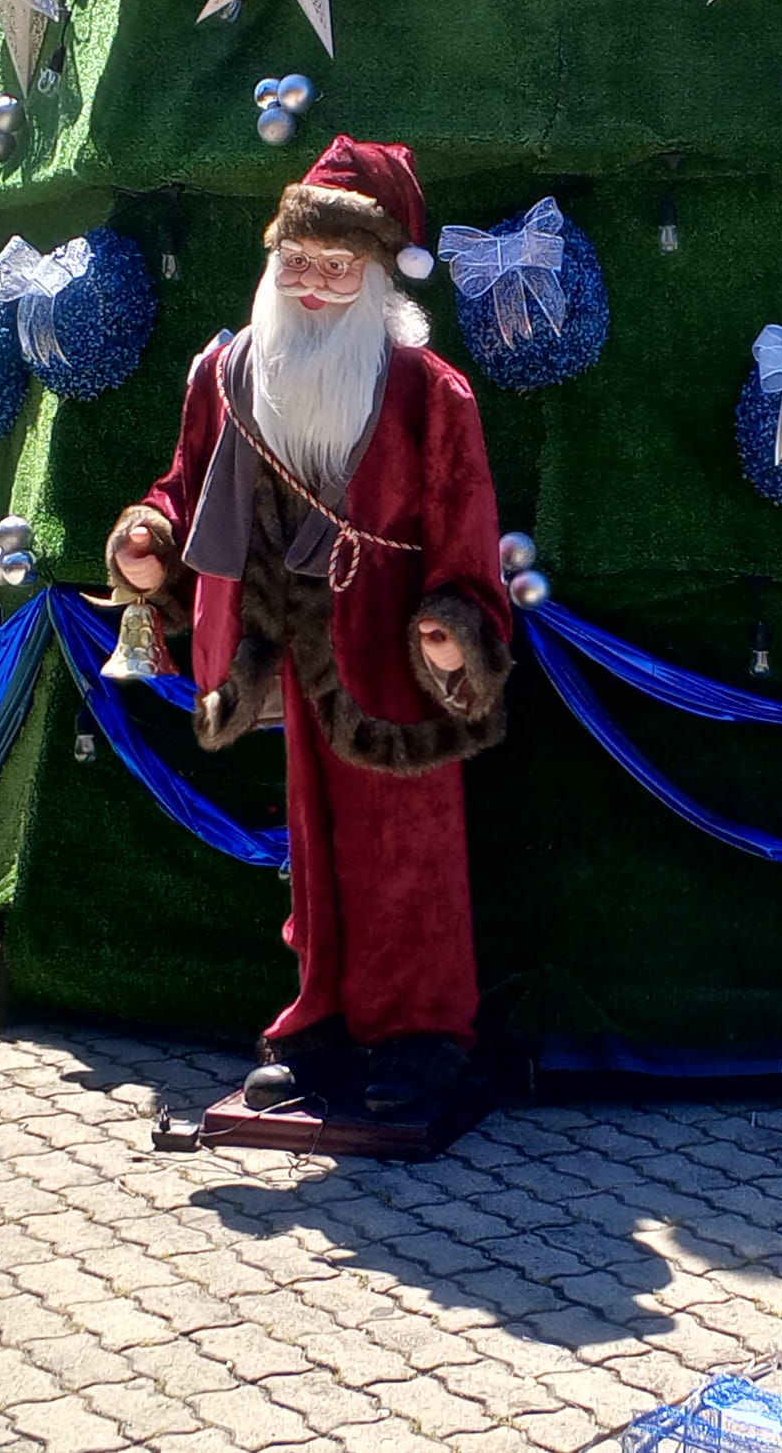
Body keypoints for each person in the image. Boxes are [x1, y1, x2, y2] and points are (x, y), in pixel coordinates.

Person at [105, 137, 512, 1120]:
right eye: (298, 262)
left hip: (398, 661)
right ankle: (321, 1023)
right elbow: (186, 485)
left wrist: (459, 624)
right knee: (315, 849)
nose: (316, 283)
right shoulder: (232, 374)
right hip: (285, 650)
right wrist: (148, 540)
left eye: (338, 266)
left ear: (375, 274)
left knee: (405, 856)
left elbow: (467, 532)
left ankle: (419, 1035)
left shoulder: (430, 393)